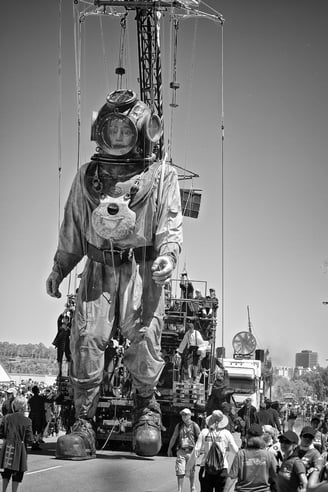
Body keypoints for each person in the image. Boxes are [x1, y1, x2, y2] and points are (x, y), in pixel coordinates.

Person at [46, 88, 182, 458]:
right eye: (113, 131)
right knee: (87, 337)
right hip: (98, 266)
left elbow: (170, 224)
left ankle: (146, 410)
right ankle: (84, 423)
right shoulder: (88, 176)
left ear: (143, 132)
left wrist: (168, 257)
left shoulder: (161, 176)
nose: (120, 138)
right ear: (101, 131)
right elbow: (73, 227)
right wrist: (60, 268)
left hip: (141, 266)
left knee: (143, 335)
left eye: (126, 131)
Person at [194, 409, 238, 492]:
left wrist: (190, 466)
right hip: (222, 469)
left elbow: (196, 450)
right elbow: (235, 450)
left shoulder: (204, 432)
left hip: (206, 468)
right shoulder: (226, 433)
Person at [225, 423, 278, 492]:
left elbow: (232, 477)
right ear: (262, 437)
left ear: (247, 437)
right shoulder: (268, 455)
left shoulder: (241, 454)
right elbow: (276, 476)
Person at [0, 396, 33, 492]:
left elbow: (1, 433)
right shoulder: (27, 421)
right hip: (20, 449)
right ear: (24, 407)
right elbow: (30, 439)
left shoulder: (6, 418)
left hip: (7, 446)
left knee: (6, 472)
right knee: (17, 474)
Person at [167, 408, 200, 492]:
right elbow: (174, 437)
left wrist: (199, 450)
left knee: (191, 470)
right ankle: (180, 489)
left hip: (191, 451)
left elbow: (200, 438)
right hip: (181, 451)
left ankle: (192, 486)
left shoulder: (194, 425)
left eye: (185, 415)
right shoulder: (179, 425)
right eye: (182, 415)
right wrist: (169, 448)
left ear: (190, 416)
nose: (184, 416)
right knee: (180, 471)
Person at [28, 385, 47, 450]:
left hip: (32, 415)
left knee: (33, 430)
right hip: (39, 415)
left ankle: (34, 443)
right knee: (39, 430)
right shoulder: (41, 398)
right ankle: (36, 443)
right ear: (38, 391)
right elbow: (49, 400)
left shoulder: (31, 399)